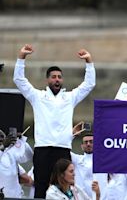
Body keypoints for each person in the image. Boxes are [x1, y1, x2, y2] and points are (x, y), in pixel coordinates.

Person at [13, 44, 96, 198]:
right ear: (48, 80)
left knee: (64, 188)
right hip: (43, 150)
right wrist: (21, 57)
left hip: (63, 150)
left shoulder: (70, 97)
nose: (57, 79)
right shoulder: (37, 96)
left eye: (59, 77)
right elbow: (19, 80)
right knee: (41, 188)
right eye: (53, 77)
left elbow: (89, 84)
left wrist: (89, 62)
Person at [0, 130, 33, 198]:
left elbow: (29, 156)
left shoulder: (9, 153)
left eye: (2, 136)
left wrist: (21, 141)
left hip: (15, 196)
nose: (1, 139)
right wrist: (3, 146)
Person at [71, 133, 94, 197]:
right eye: (86, 142)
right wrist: (72, 136)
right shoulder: (76, 159)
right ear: (82, 146)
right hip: (79, 197)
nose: (88, 144)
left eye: (91, 142)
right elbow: (64, 149)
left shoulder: (103, 160)